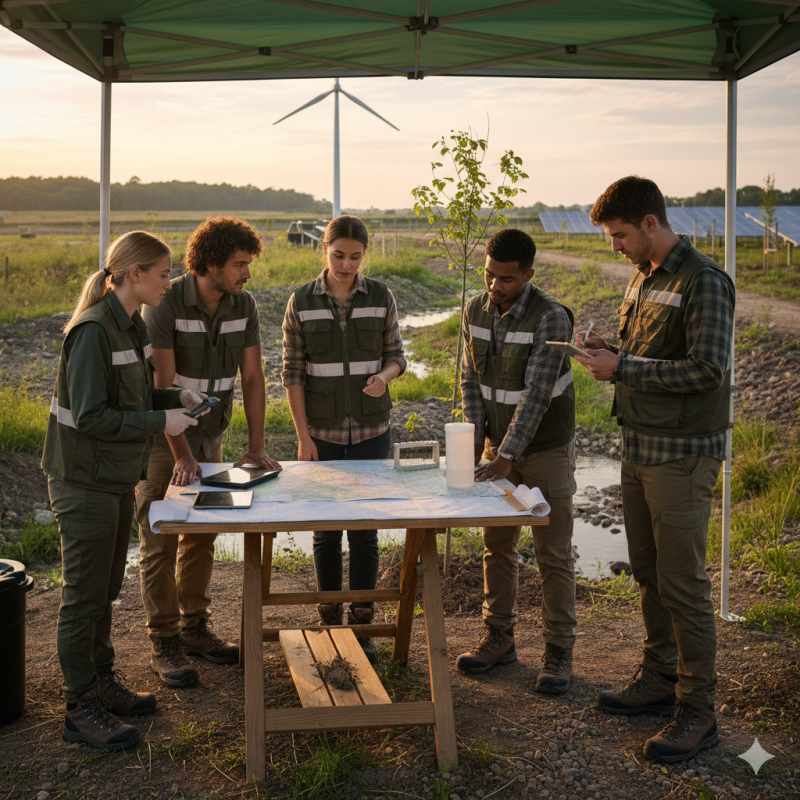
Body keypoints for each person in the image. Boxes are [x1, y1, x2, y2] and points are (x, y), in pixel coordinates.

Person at [575, 176, 734, 762]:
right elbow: (644, 352)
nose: (614, 246)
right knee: (647, 570)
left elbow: (707, 370)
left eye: (619, 235)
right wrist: (606, 350)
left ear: (649, 223)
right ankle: (660, 677)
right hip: (640, 446)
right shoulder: (645, 278)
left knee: (684, 583)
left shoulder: (704, 282)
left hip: (683, 454)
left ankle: (699, 710)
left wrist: (622, 370)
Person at [42, 231, 204, 750]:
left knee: (105, 590)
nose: (170, 280)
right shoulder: (92, 331)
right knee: (83, 596)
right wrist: (164, 418)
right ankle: (79, 707)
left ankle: (101, 682)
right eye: (163, 272)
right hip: (83, 481)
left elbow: (128, 396)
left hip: (111, 478)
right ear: (133, 273)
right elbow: (91, 415)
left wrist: (173, 395)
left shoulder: (127, 325)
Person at [135, 216, 281, 687]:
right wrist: (180, 455)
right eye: (240, 264)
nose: (247, 273)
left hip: (211, 435)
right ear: (211, 263)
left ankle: (195, 627)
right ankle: (165, 639)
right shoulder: (166, 303)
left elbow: (254, 377)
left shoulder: (245, 305)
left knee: (203, 532)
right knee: (161, 537)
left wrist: (255, 445)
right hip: (163, 439)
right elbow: (161, 387)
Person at [456, 228, 578, 694]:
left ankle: (559, 650)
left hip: (544, 450)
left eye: (505, 279)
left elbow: (537, 395)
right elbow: (471, 381)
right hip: (496, 453)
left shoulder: (551, 319)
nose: (494, 287)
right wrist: (473, 443)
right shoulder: (473, 310)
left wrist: (506, 455)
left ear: (527, 274)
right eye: (489, 275)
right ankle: (499, 636)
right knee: (497, 545)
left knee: (553, 553)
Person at [282, 215, 406, 664]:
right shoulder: (300, 301)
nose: (346, 264)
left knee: (366, 532)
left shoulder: (381, 297)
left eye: (355, 257)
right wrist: (303, 437)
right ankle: (330, 619)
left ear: (364, 255)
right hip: (322, 436)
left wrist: (384, 376)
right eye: (338, 255)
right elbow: (292, 375)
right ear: (324, 249)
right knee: (326, 532)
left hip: (373, 432)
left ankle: (363, 623)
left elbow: (397, 357)